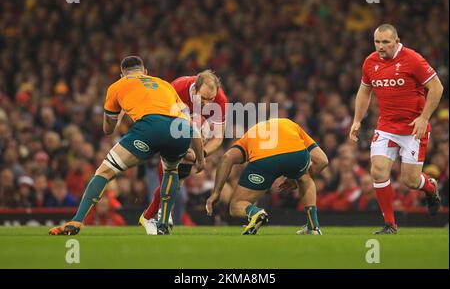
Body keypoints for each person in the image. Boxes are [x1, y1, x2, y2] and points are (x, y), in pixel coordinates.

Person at [49, 56, 205, 236]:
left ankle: (76, 221)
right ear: (145, 72)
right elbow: (190, 124)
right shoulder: (164, 84)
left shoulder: (117, 86)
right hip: (180, 129)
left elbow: (108, 130)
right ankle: (163, 225)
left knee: (104, 172)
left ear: (122, 74)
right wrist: (200, 159)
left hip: (149, 127)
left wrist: (120, 111)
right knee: (171, 171)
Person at [349, 24, 444, 234]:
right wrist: (357, 120)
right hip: (386, 127)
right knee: (378, 171)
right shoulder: (370, 62)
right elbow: (365, 92)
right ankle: (390, 225)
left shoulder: (413, 60)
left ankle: (430, 187)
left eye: (385, 42)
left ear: (397, 41)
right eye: (377, 42)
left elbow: (437, 87)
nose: (380, 47)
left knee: (410, 180)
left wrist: (424, 118)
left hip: (413, 129)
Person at [139, 70, 228, 235]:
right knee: (172, 165)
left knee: (180, 175)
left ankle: (158, 211)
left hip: (194, 136)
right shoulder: (177, 88)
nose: (208, 104)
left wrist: (202, 153)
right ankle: (160, 210)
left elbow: (218, 138)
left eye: (212, 99)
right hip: (169, 127)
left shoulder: (221, 100)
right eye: (204, 98)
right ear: (194, 91)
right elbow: (166, 125)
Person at [206, 118, 328, 235]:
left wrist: (216, 193)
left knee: (236, 205)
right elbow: (322, 161)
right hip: (296, 155)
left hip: (264, 161)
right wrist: (295, 179)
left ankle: (256, 213)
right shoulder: (290, 125)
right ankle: (313, 226)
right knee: (305, 177)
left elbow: (227, 158)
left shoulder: (250, 135)